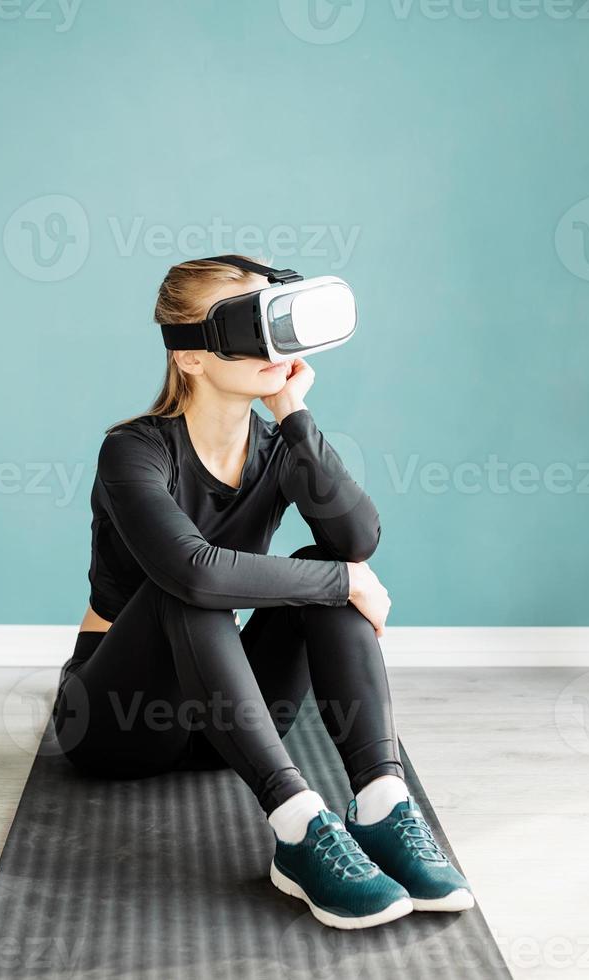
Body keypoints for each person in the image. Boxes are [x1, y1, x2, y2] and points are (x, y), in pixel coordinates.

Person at [53, 255, 474, 929]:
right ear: (190, 356)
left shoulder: (277, 447)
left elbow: (356, 538)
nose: (276, 345)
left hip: (225, 718)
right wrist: (342, 580)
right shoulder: (133, 451)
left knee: (324, 565)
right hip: (118, 720)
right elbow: (193, 572)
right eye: (252, 328)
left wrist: (295, 414)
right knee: (187, 585)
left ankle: (380, 802)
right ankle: (297, 826)